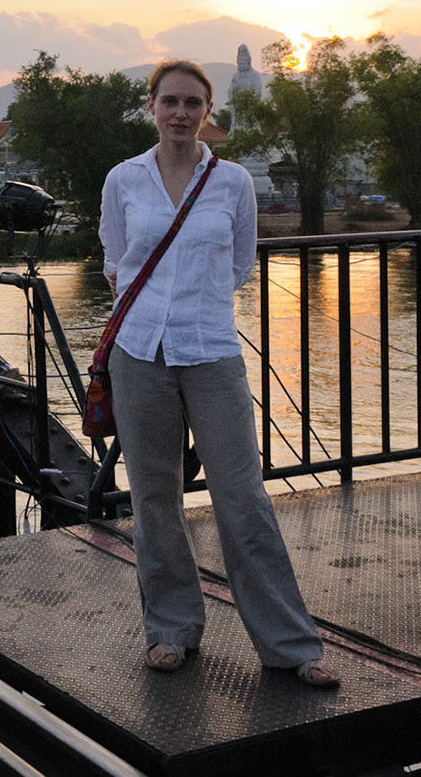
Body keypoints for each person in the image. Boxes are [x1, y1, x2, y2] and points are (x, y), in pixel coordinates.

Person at [98, 59, 338, 686]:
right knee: (155, 498)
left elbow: (239, 265)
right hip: (139, 353)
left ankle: (290, 645)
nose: (180, 113)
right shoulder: (123, 179)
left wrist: (194, 307)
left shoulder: (231, 182)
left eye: (192, 103)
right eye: (169, 101)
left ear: (209, 112)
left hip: (210, 351)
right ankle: (171, 629)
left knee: (243, 498)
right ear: (151, 106)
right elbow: (115, 261)